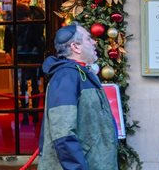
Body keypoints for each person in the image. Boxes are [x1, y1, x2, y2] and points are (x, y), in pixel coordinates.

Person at [38, 23, 118, 170]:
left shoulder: (81, 74)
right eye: (88, 39)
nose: (94, 42)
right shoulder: (66, 77)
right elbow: (63, 134)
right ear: (75, 47)